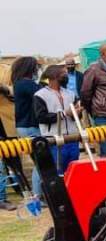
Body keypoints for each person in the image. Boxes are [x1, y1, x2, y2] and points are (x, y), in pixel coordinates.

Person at [33, 65, 81, 173]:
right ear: (54, 76)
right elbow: (42, 117)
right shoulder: (40, 95)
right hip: (54, 139)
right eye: (63, 74)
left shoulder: (70, 93)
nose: (66, 76)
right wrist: (65, 114)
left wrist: (77, 112)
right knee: (58, 170)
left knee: (73, 170)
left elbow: (75, 116)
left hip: (72, 137)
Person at [10, 56, 42, 199]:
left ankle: (39, 194)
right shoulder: (26, 84)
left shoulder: (19, 83)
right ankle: (38, 195)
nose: (38, 70)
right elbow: (42, 93)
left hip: (24, 126)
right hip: (30, 127)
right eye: (36, 67)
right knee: (40, 163)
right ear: (30, 69)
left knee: (38, 162)